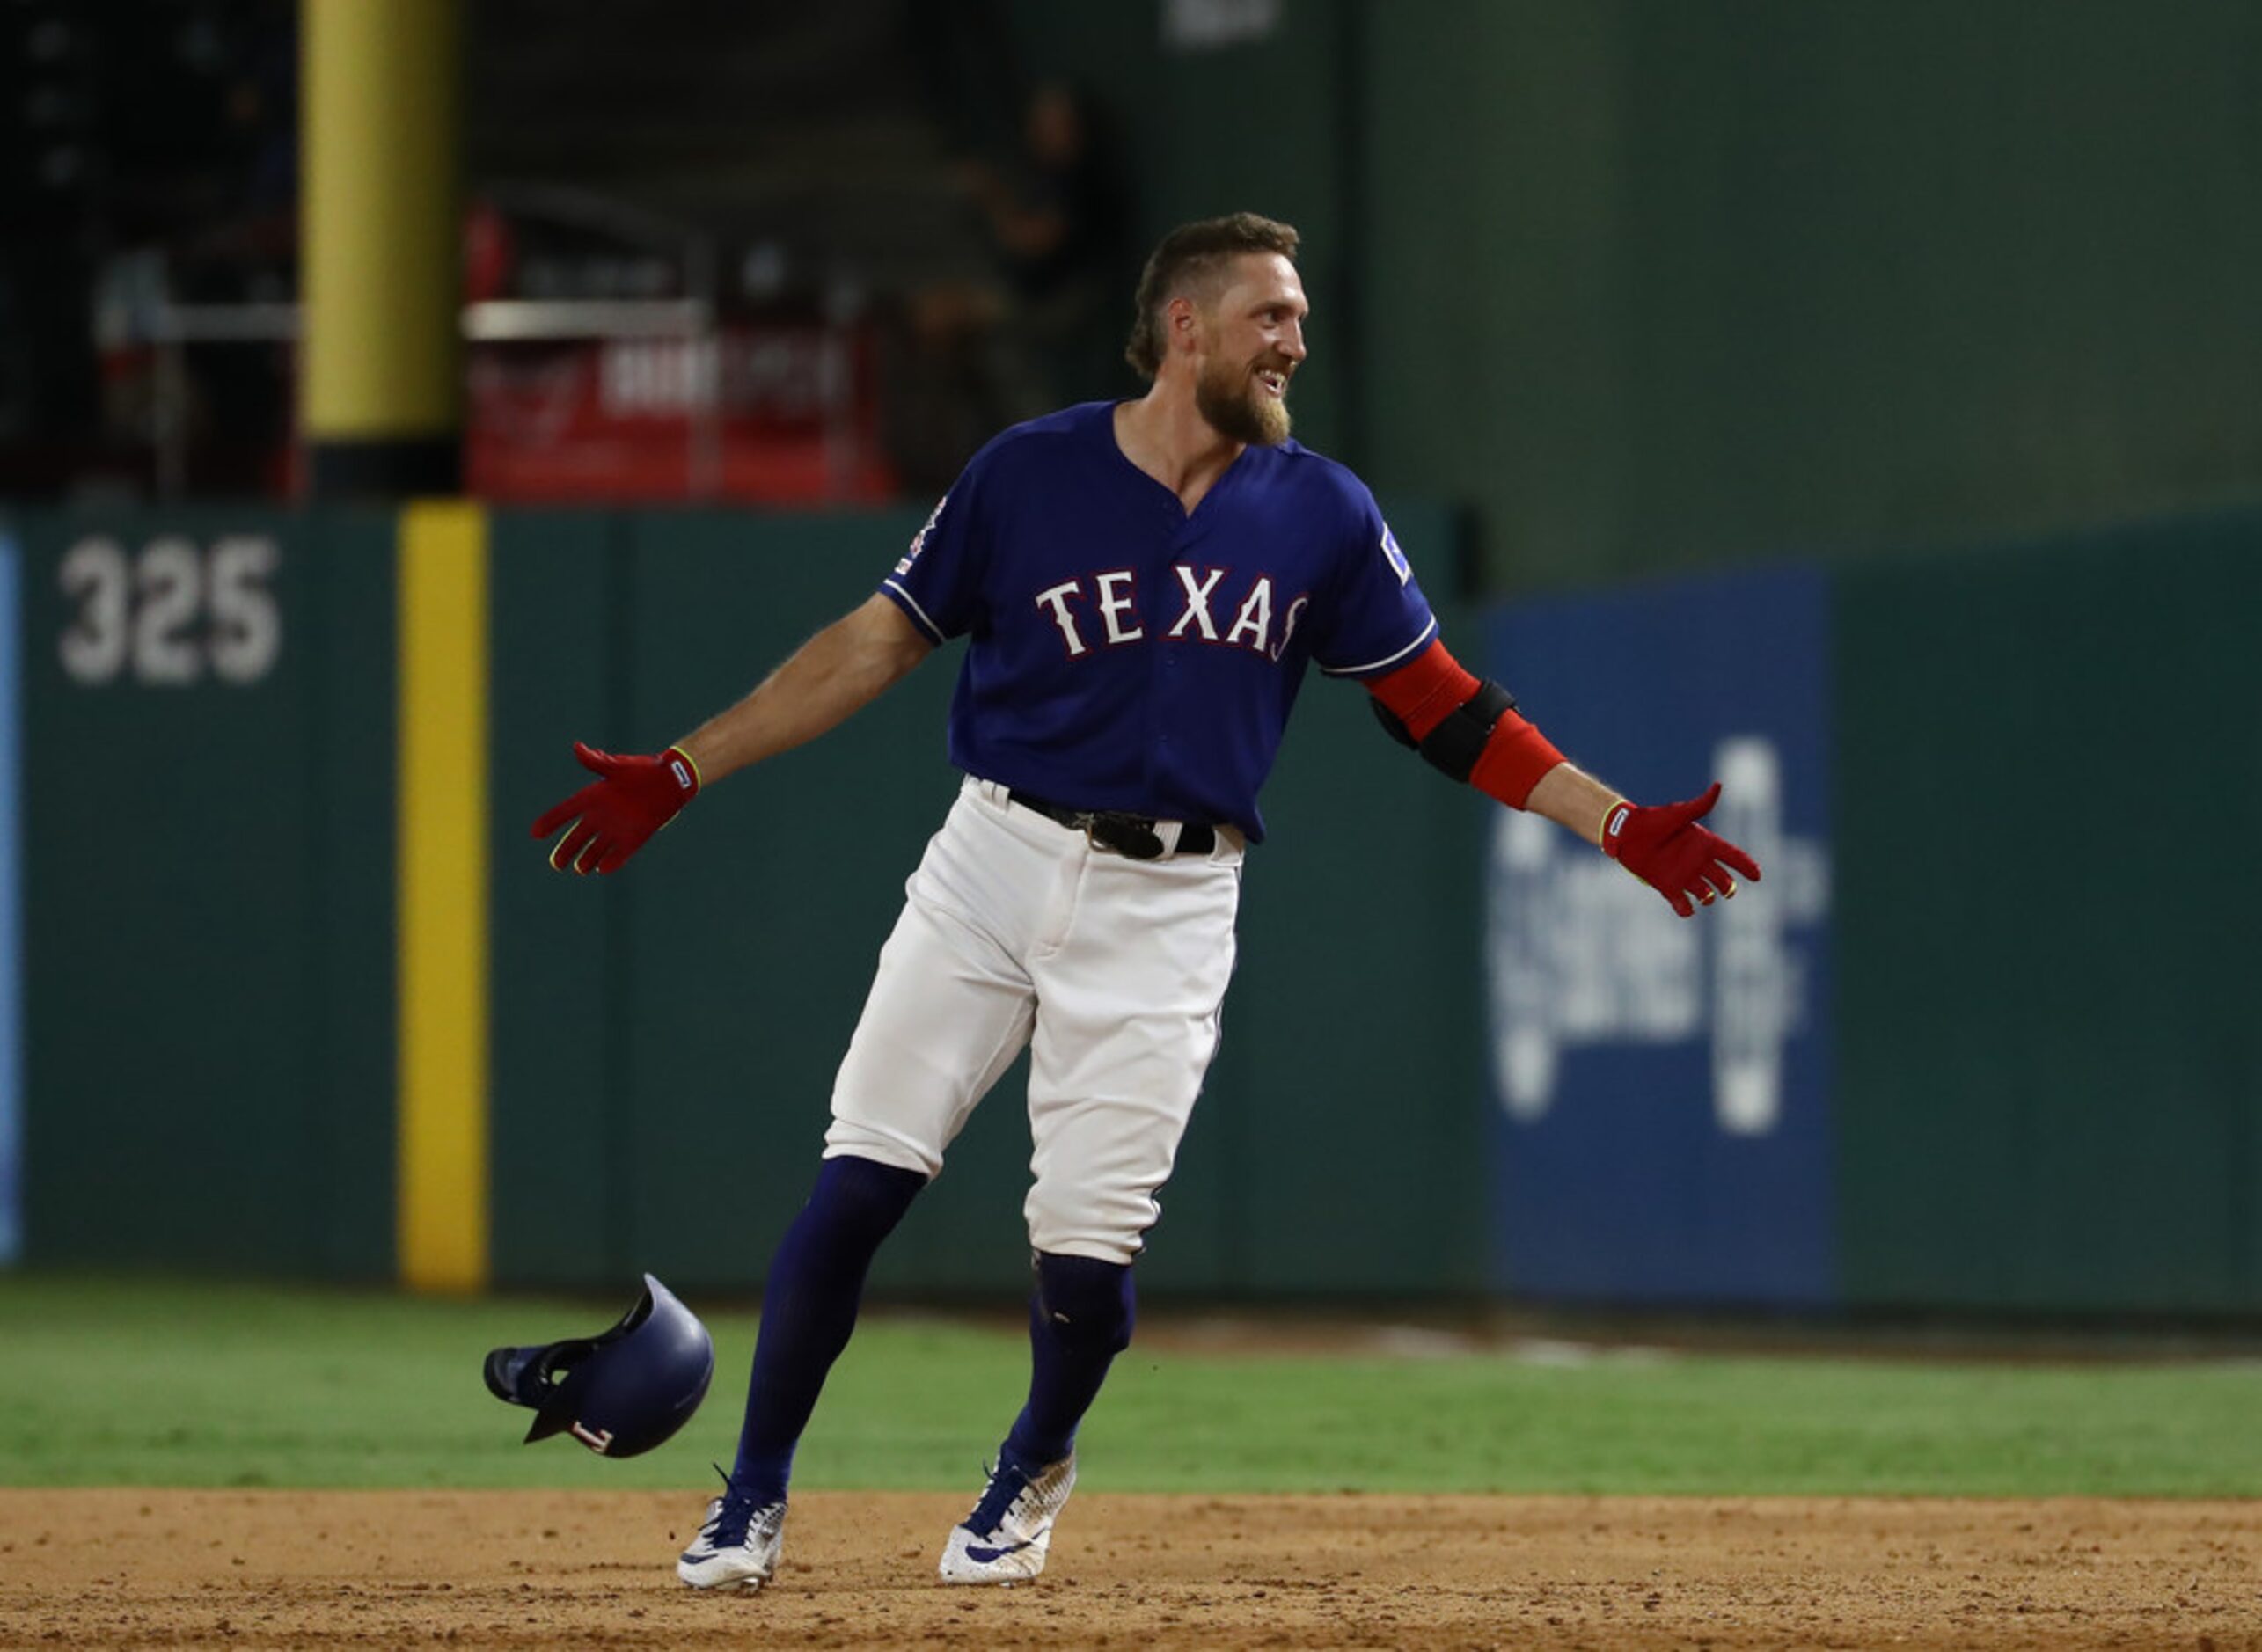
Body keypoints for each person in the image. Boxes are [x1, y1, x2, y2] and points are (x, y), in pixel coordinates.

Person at [531, 211, 1761, 1594]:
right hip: (992, 860)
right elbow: (874, 643)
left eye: (1297, 317)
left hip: (1172, 903)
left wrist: (1615, 822)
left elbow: (1443, 707)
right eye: (1270, 315)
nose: (1296, 339)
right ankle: (750, 1498)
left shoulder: (1322, 508)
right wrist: (688, 764)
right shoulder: (1029, 472)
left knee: (1085, 1263)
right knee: (857, 1182)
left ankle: (1034, 1461)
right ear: (1186, 327)